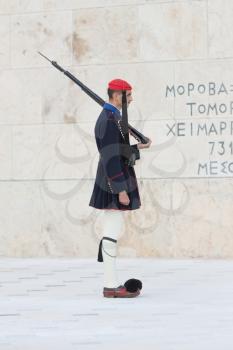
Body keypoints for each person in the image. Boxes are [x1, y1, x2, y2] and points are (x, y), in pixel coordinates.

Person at [89, 78, 151, 298]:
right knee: (112, 230)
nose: (131, 99)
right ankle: (111, 285)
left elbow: (119, 150)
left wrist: (137, 147)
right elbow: (110, 157)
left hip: (114, 179)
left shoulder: (113, 116)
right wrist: (120, 189)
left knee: (112, 229)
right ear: (117, 96)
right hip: (112, 181)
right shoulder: (107, 119)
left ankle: (111, 282)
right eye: (129, 95)